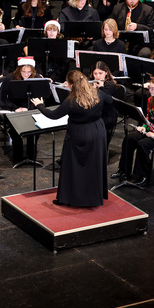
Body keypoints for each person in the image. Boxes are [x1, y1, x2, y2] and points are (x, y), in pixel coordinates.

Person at [33, 70, 113, 207]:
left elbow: (53, 115)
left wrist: (39, 105)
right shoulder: (98, 94)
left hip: (79, 134)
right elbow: (110, 101)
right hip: (98, 131)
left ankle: (69, 198)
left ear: (70, 84)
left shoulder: (71, 101)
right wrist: (100, 88)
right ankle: (93, 198)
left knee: (72, 166)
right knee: (93, 165)